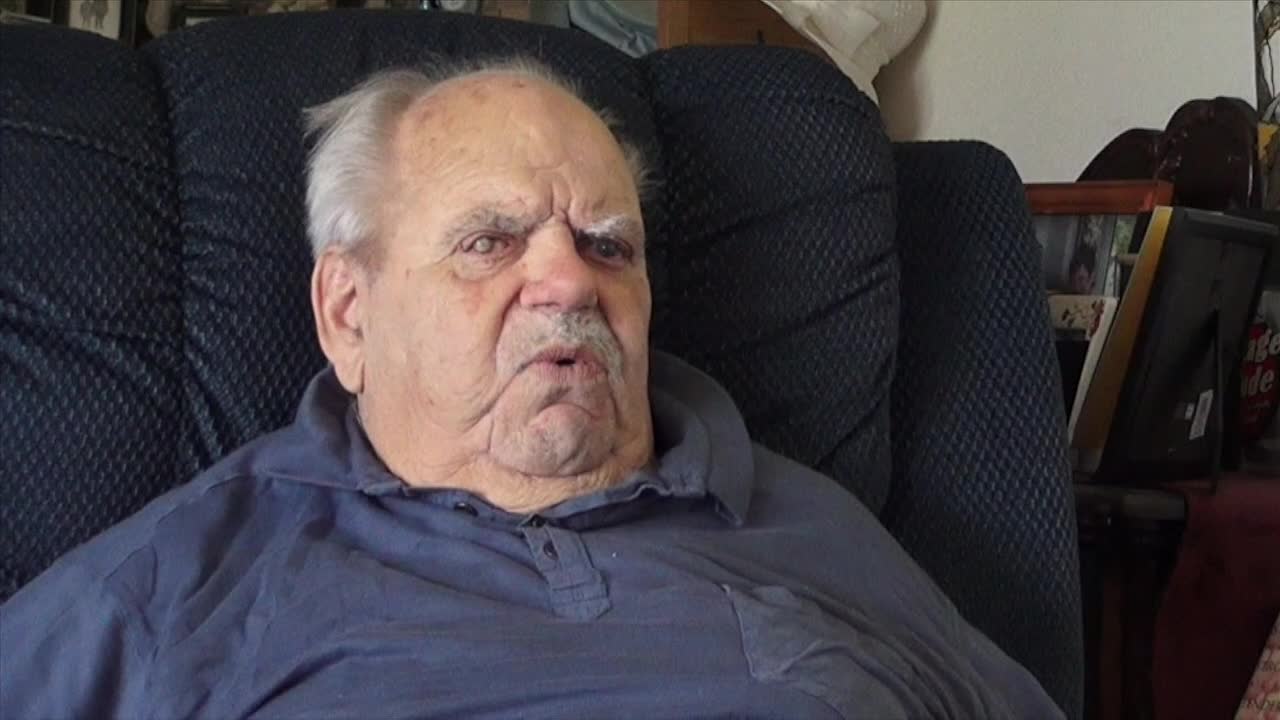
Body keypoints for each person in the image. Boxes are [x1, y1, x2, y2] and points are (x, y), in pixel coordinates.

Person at [0, 58, 1064, 719]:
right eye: (489, 241)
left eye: (607, 244)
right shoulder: (179, 584)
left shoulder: (814, 532)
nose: (568, 282)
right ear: (348, 313)